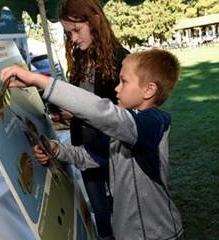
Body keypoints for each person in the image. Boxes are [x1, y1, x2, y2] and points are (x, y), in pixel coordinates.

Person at [0, 48, 184, 240]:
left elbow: (104, 113)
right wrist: (56, 149)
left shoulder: (152, 123)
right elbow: (89, 156)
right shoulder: (125, 131)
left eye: (124, 81)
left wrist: (40, 81)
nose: (117, 88)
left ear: (149, 90)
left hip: (158, 235)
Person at [52, 0, 129, 238]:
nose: (73, 39)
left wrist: (78, 113)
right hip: (84, 148)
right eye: (68, 34)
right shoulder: (80, 59)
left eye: (76, 30)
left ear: (95, 20)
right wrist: (69, 114)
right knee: (100, 212)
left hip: (112, 152)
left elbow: (120, 114)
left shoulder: (122, 60)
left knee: (121, 211)